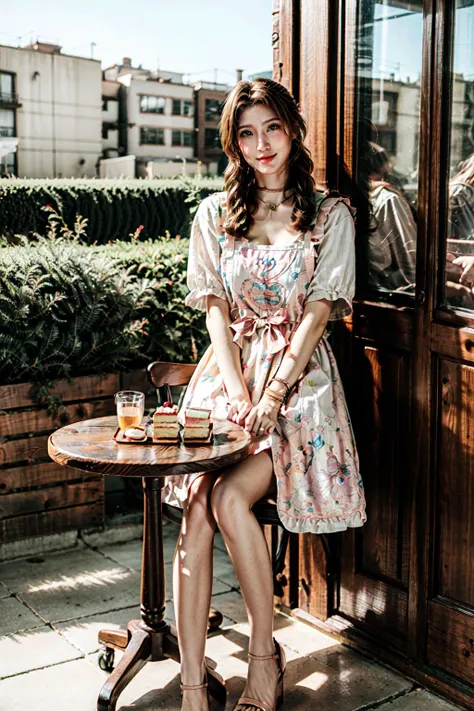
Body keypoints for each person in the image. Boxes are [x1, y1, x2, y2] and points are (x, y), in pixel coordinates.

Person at [162, 77, 367, 711]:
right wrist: (235, 389)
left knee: (227, 495)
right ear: (234, 143)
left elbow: (318, 314)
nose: (260, 145)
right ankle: (195, 686)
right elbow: (216, 314)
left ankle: (263, 657)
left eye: (271, 128)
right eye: (246, 133)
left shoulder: (329, 215)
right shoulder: (213, 215)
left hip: (299, 390)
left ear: (292, 129)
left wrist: (272, 397)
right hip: (229, 380)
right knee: (197, 511)